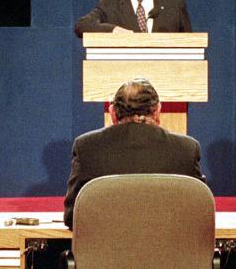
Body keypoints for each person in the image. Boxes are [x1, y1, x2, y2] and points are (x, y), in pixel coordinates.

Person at [63, 78, 204, 228]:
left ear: (113, 113)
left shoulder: (86, 147)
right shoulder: (186, 149)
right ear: (157, 111)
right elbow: (202, 213)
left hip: (108, 249)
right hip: (169, 249)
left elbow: (72, 217)